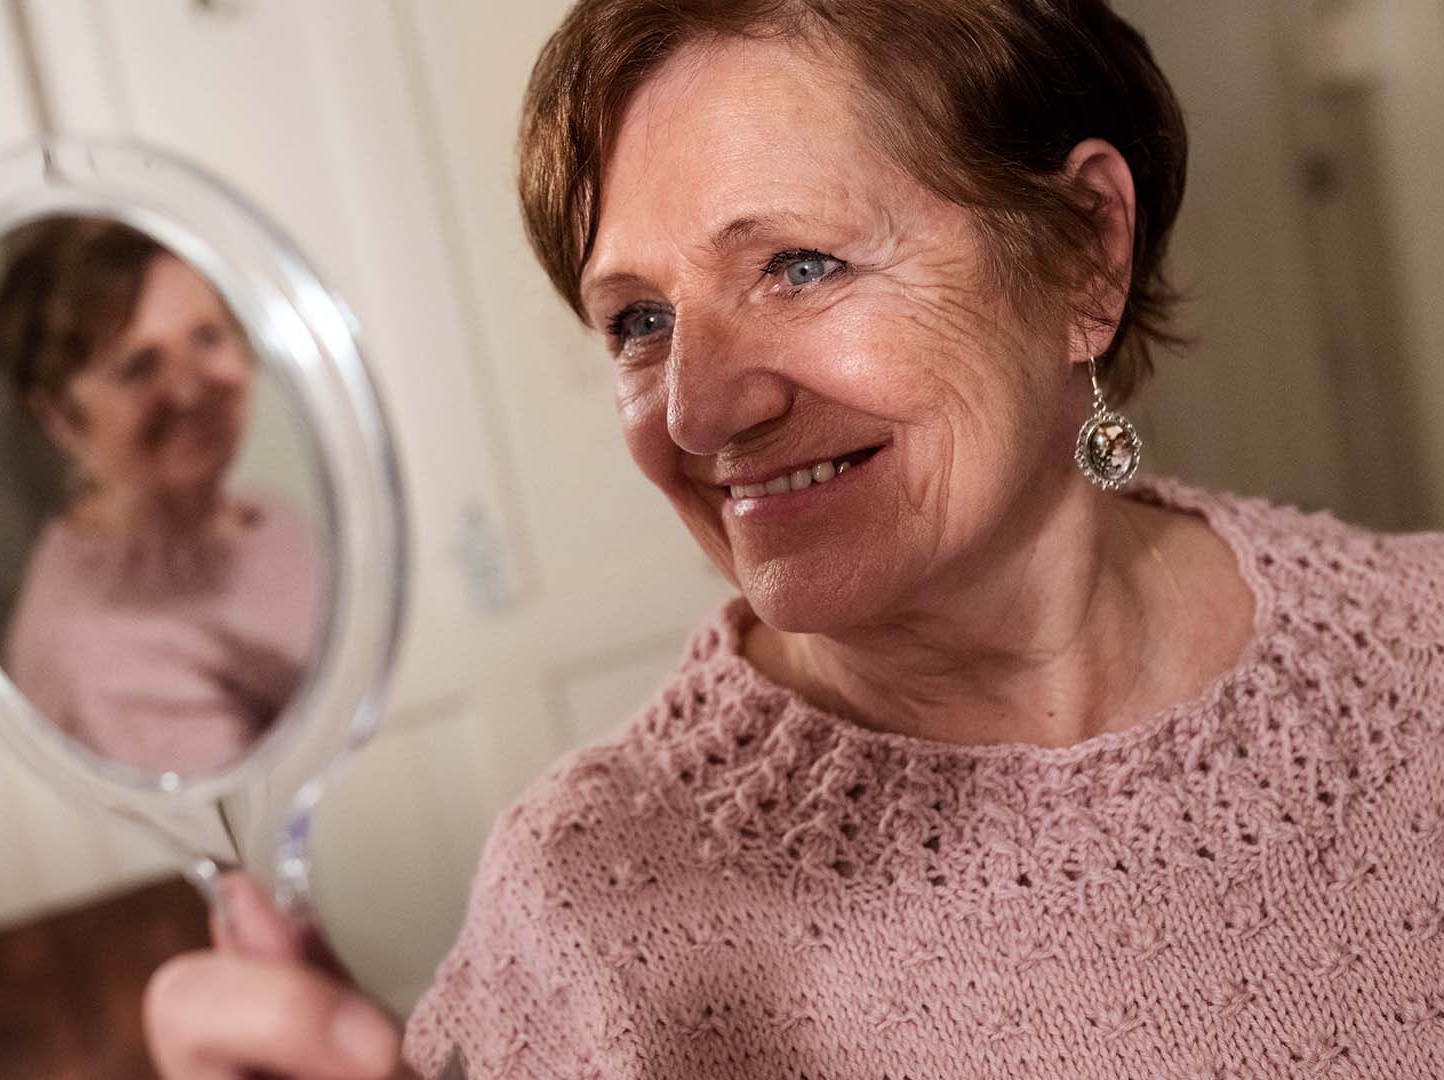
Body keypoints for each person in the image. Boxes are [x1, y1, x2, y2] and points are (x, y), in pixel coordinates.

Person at [143, 1, 1444, 1076]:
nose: (700, 409)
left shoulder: (1421, 649)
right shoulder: (593, 902)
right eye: (638, 320)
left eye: (801, 266)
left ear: (1084, 257)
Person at [0, 218, 321, 778]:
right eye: (139, 365)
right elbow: (243, 846)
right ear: (58, 416)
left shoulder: (266, 515)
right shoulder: (98, 648)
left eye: (207, 337)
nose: (190, 388)